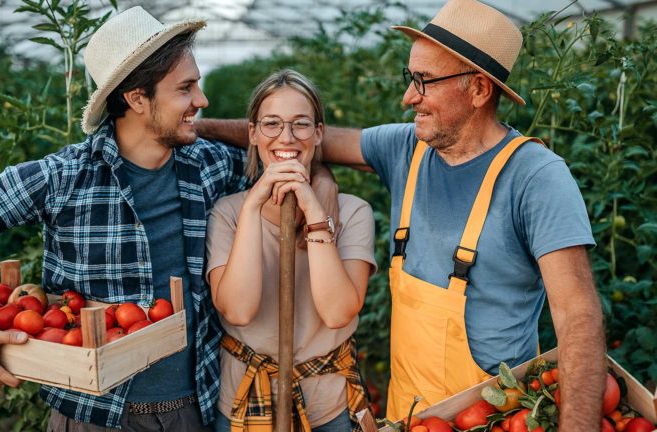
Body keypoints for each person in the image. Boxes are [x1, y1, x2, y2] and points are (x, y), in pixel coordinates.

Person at [196, 0, 606, 430]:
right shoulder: (408, 148)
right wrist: (193, 127)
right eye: (410, 78)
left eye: (424, 82)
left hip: (494, 415)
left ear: (480, 90)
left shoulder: (536, 178)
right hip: (408, 414)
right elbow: (304, 140)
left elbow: (578, 317)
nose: (408, 97)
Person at [0, 7, 254, 431]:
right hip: (92, 416)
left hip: (194, 405)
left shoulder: (208, 164)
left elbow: (290, 139)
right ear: (137, 98)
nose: (201, 100)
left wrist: (353, 148)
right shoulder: (66, 176)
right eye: (186, 88)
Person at [206, 69, 376, 432]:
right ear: (252, 133)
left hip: (328, 405)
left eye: (301, 124)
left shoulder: (352, 211)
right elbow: (238, 309)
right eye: (271, 124)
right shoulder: (228, 212)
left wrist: (315, 214)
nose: (286, 136)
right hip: (245, 401)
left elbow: (336, 312)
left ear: (318, 133)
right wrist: (254, 206)